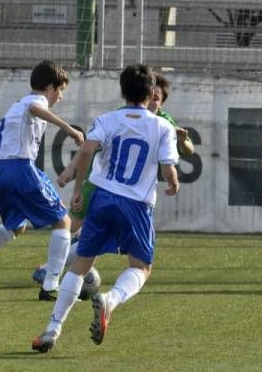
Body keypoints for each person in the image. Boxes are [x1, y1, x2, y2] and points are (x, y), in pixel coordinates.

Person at [32, 64, 180, 352]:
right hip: (136, 205)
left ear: (122, 92)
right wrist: (173, 182)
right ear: (151, 93)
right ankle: (110, 300)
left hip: (101, 198)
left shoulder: (108, 119)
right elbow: (168, 168)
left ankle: (52, 329)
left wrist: (77, 191)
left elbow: (87, 149)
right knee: (141, 267)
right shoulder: (162, 126)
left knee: (80, 265)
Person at [31, 72, 193, 285]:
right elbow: (88, 148)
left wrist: (183, 141)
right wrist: (71, 169)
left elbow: (188, 150)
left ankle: (56, 271)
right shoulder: (121, 115)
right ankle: (50, 268)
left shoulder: (165, 123)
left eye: (157, 97)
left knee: (94, 235)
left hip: (128, 194)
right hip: (97, 183)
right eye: (150, 93)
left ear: (161, 102)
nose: (152, 98)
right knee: (72, 226)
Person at [0, 60, 85, 301]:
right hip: (20, 169)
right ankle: (51, 284)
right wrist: (69, 129)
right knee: (63, 222)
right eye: (60, 91)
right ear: (50, 87)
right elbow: (37, 108)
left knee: (16, 226)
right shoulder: (35, 102)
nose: (60, 97)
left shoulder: (14, 109)